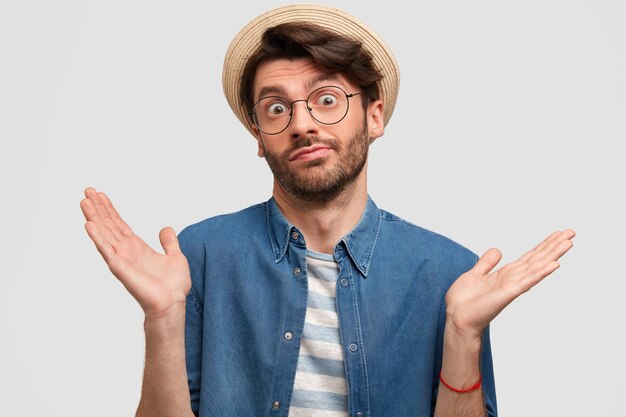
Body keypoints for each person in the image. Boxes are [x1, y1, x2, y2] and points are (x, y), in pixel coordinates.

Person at [80, 4, 575, 417]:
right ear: (259, 138)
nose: (302, 123)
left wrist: (464, 335)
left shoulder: (449, 273)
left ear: (374, 115)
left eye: (327, 99)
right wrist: (162, 318)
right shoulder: (200, 255)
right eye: (277, 108)